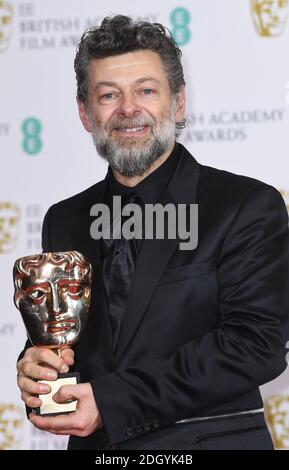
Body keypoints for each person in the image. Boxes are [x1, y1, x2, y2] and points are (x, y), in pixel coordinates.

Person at [16, 15, 289, 450]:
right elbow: (63, 339)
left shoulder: (244, 206)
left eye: (146, 90)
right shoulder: (64, 219)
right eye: (109, 95)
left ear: (178, 103)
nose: (128, 109)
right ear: (86, 114)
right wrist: (37, 369)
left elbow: (256, 346)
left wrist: (111, 401)